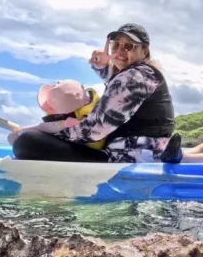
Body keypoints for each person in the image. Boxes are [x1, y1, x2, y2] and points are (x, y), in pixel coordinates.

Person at [12, 23, 176, 162]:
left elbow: (93, 131)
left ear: (144, 51)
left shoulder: (135, 77)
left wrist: (47, 130)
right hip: (147, 149)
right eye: (116, 45)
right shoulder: (142, 73)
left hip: (127, 156)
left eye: (128, 46)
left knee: (27, 142)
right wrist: (102, 64)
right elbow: (115, 81)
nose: (120, 51)